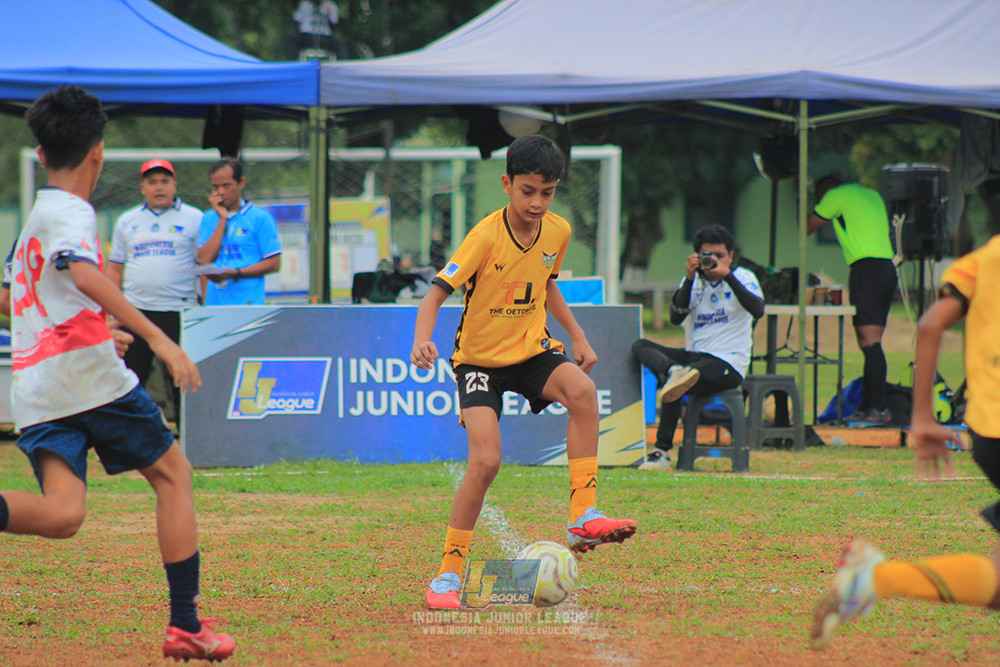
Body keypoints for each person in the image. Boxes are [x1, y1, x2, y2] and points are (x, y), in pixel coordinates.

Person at [0, 86, 235, 662]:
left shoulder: (35, 219)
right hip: (88, 381)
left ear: (40, 154)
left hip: (37, 387)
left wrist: (93, 325)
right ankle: (186, 626)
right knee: (173, 474)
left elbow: (14, 297)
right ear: (98, 152)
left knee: (62, 514)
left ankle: (187, 626)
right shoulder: (73, 212)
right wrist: (158, 338)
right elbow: (83, 274)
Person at [410, 135, 637, 609]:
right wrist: (422, 339)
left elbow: (546, 284)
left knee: (583, 392)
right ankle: (448, 575)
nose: (537, 202)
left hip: (531, 351)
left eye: (547, 192)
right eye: (528, 190)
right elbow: (434, 295)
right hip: (479, 363)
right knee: (486, 461)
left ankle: (582, 516)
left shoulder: (558, 231)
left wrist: (577, 335)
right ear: (507, 184)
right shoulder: (484, 237)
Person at [810, 237, 1000, 650]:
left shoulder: (987, 258)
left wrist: (922, 418)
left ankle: (876, 578)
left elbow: (929, 325)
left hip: (988, 431)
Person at [631, 224, 764, 470]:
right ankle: (673, 370)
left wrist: (728, 276)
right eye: (707, 256)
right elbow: (675, 318)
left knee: (679, 379)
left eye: (720, 256)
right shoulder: (692, 280)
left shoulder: (743, 277)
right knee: (641, 346)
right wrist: (690, 279)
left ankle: (661, 451)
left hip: (728, 362)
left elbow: (758, 309)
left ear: (731, 256)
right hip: (694, 358)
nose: (714, 262)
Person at [105, 159, 201, 425]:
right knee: (130, 377)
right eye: (152, 182)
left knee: (180, 375)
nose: (159, 187)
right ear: (142, 187)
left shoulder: (195, 218)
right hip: (135, 311)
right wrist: (111, 310)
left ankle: (188, 432)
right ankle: (126, 433)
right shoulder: (127, 221)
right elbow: (115, 269)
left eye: (164, 181)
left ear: (175, 185)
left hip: (180, 310)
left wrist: (203, 304)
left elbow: (205, 265)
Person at [808, 173, 898, 425]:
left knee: (870, 343)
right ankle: (868, 406)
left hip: (866, 270)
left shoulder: (834, 196)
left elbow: (806, 226)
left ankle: (878, 408)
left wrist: (802, 201)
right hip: (887, 269)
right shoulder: (871, 194)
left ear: (823, 193)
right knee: (872, 343)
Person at [196, 157, 281, 306]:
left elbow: (273, 263)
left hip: (248, 304)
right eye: (215, 187)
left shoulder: (260, 217)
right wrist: (222, 220)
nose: (221, 192)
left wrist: (236, 273)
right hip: (215, 305)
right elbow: (203, 260)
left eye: (226, 186)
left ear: (241, 182)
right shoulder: (208, 218)